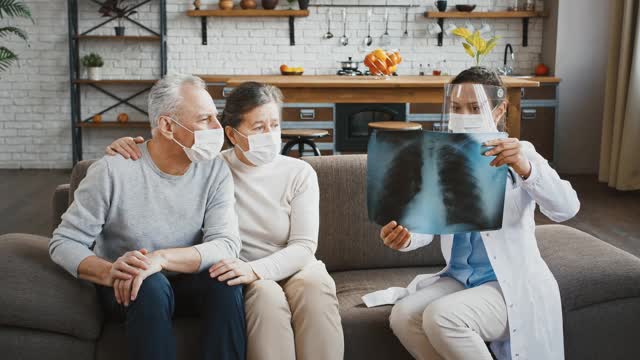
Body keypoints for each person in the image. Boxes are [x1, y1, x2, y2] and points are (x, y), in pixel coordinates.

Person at [106, 81, 344, 360]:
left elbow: (304, 246)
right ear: (231, 133)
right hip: (242, 271)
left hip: (295, 265)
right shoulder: (211, 168)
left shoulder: (300, 172)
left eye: (275, 125)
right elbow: (164, 156)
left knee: (315, 290)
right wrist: (127, 143)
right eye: (258, 128)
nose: (270, 135)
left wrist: (256, 269)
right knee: (267, 301)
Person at [363, 67, 580, 360]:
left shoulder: (520, 153)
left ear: (499, 110)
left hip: (508, 285)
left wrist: (527, 169)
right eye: (456, 107)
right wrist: (405, 238)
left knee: (442, 316)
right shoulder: (443, 159)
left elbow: (566, 209)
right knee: (404, 315)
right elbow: (427, 225)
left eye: (475, 107)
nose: (463, 115)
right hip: (460, 278)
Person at [49, 74, 246, 360]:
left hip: (184, 279)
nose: (218, 129)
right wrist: (109, 270)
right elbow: (63, 242)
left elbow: (226, 244)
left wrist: (161, 258)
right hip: (130, 289)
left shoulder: (214, 171)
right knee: (148, 281)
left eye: (216, 117)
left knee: (225, 281)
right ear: (167, 126)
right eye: (205, 120)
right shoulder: (113, 171)